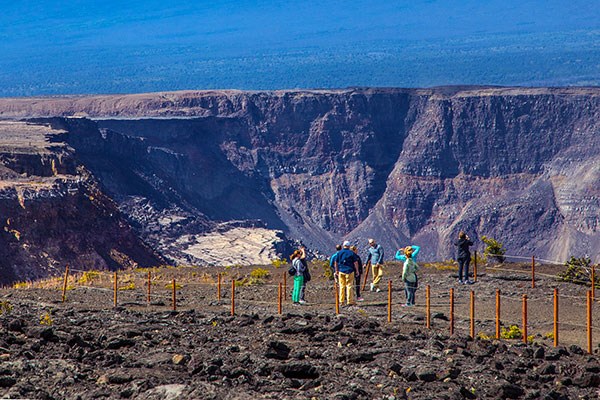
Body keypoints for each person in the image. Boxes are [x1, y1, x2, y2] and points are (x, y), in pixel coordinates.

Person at [334, 241, 359, 306]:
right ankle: (349, 301)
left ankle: (341, 301)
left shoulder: (339, 253)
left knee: (342, 286)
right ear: (348, 246)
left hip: (341, 271)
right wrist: (357, 270)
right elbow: (355, 262)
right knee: (349, 286)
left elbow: (336, 262)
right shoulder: (351, 253)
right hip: (349, 271)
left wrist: (336, 270)